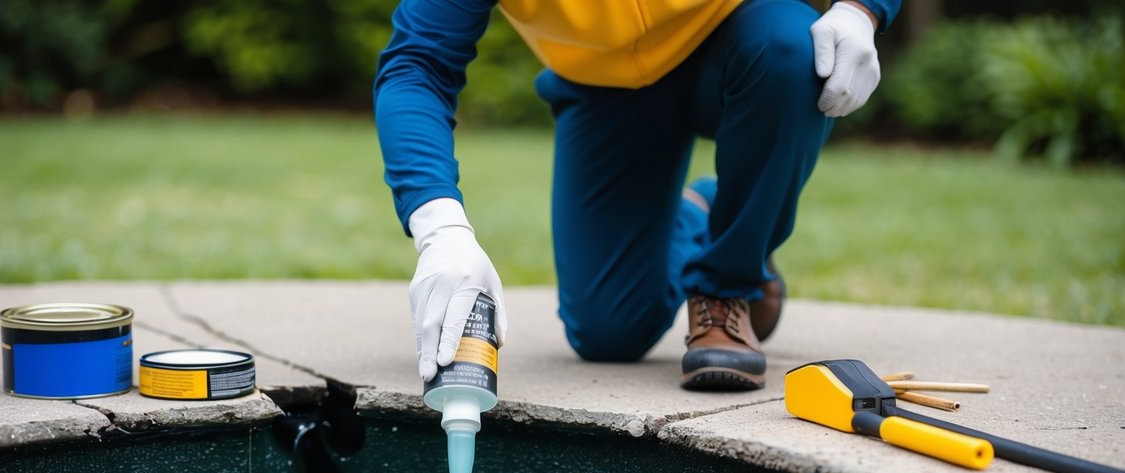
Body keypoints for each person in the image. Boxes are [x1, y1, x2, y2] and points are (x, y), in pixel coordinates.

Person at [374, 0, 900, 391]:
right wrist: (439, 229)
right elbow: (418, 64)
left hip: (742, 38)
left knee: (795, 51)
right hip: (603, 83)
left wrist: (861, 9)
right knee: (610, 333)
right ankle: (707, 210)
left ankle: (724, 285)